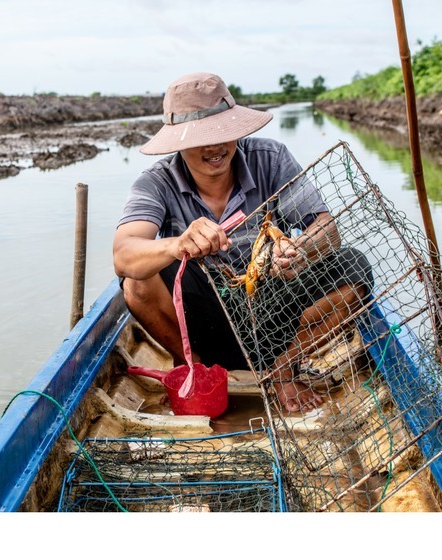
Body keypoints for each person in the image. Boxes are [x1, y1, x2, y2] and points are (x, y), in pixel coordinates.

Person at [113, 72, 372, 413]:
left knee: (353, 266)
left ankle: (283, 370)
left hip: (276, 312)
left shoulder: (271, 159)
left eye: (222, 132)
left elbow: (325, 228)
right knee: (137, 280)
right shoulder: (157, 182)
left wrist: (299, 250)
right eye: (200, 138)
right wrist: (176, 245)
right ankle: (196, 369)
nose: (214, 147)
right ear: (178, 142)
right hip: (203, 321)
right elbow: (124, 252)